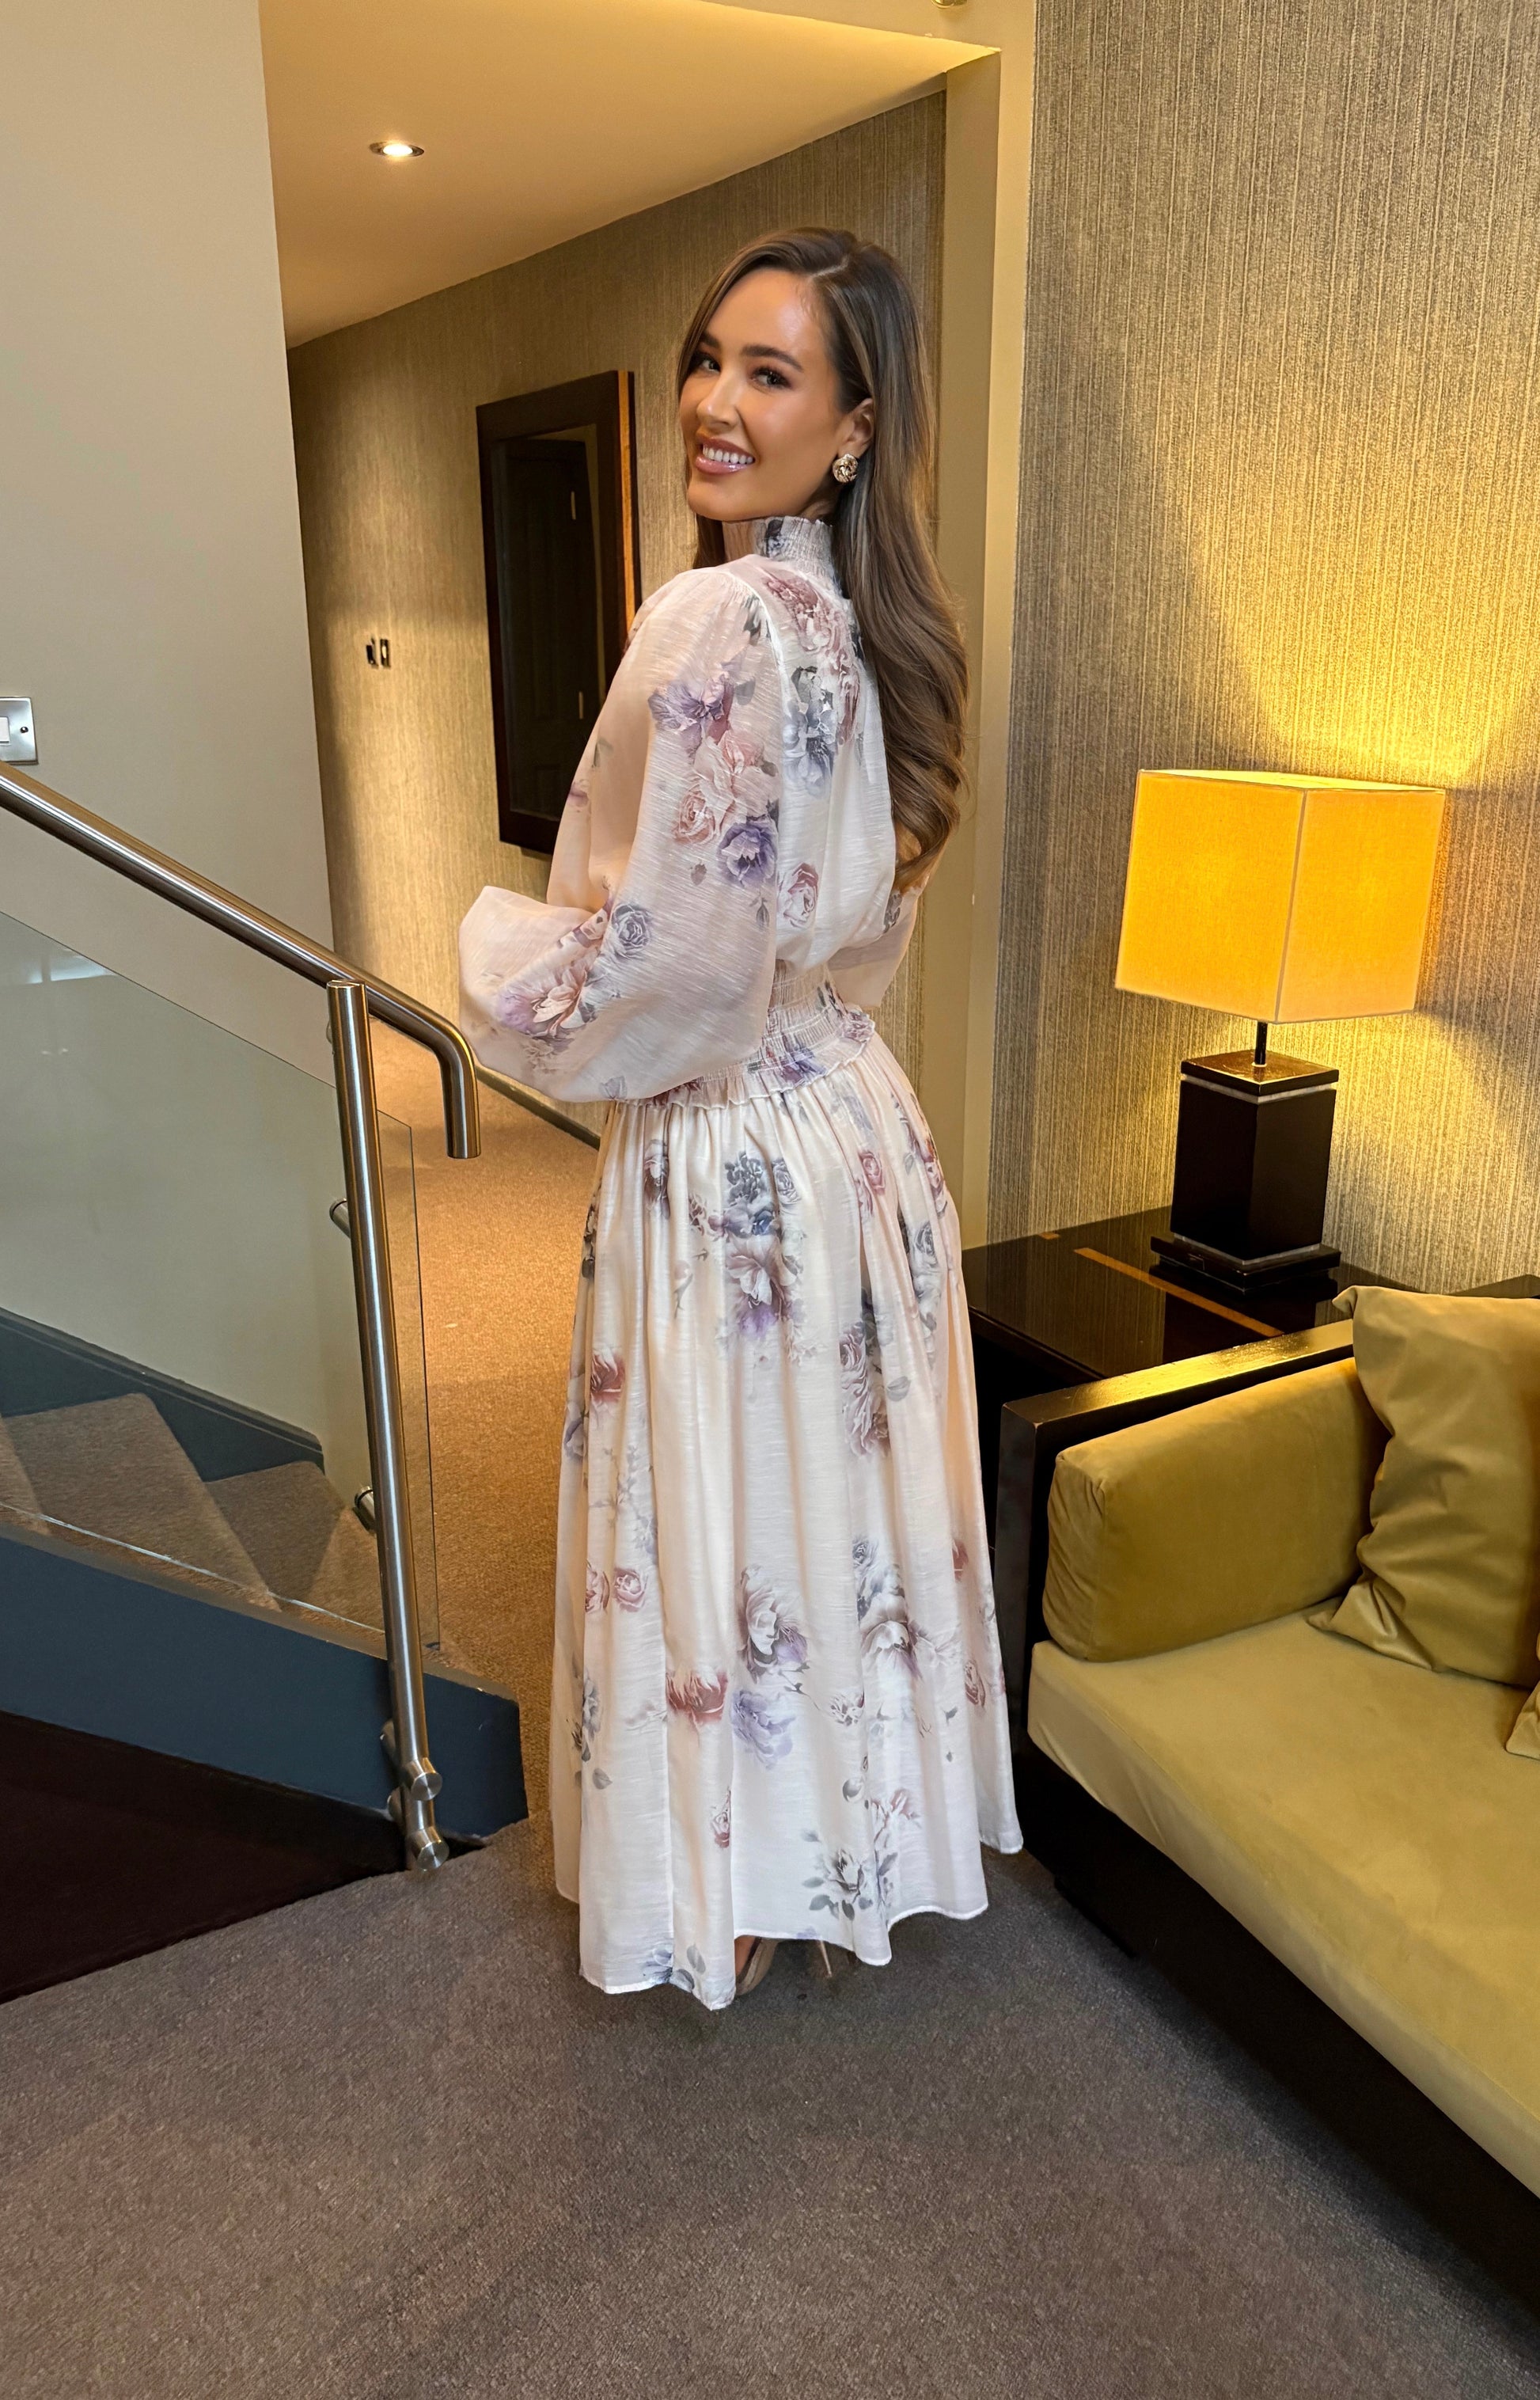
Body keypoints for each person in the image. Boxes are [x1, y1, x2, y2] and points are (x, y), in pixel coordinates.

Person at [460, 226, 1021, 2009]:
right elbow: (843, 934)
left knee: (710, 1494)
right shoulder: (869, 635)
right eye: (709, 358)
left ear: (853, 428)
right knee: (820, 1501)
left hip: (726, 1137)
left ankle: (721, 1876)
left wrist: (509, 964)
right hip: (853, 1123)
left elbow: (670, 969)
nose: (712, 400)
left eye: (769, 374)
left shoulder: (712, 617)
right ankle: (821, 1846)